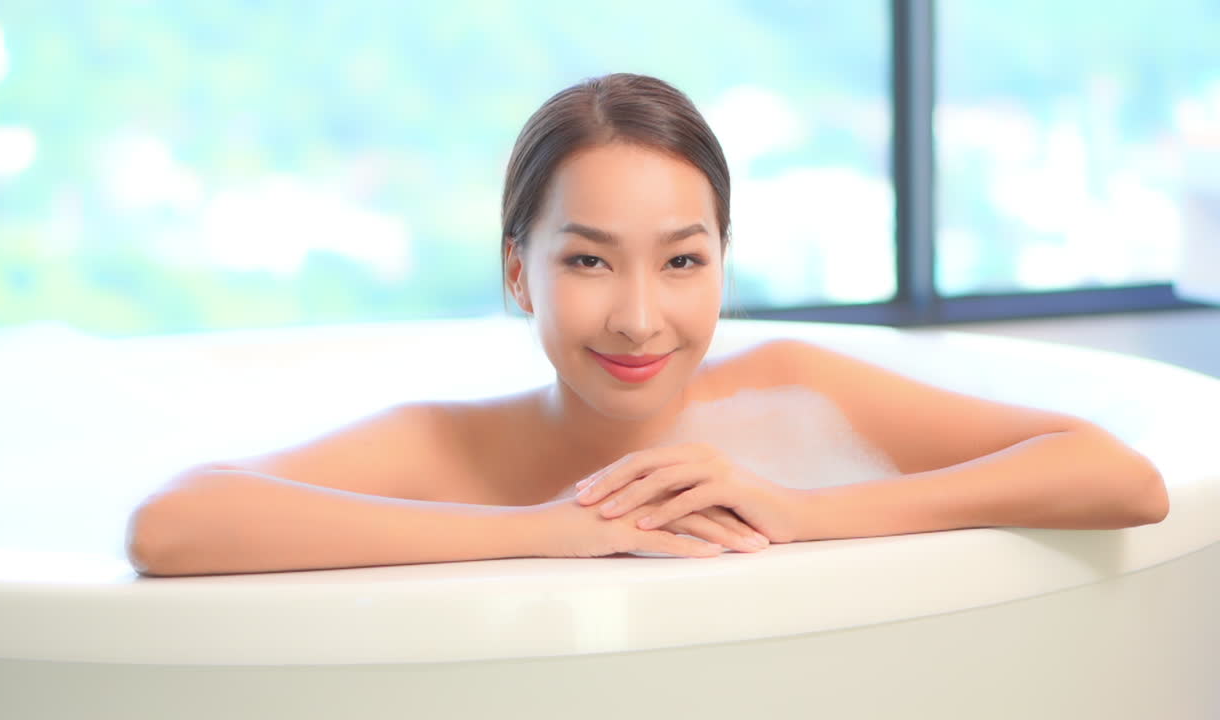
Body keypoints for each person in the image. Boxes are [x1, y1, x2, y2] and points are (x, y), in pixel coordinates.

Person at [126, 73, 1169, 577]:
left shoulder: (794, 388)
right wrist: (546, 533)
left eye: (681, 261)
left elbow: (1122, 480)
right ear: (517, 273)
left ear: (721, 261)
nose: (638, 318)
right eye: (585, 260)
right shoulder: (447, 442)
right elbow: (171, 527)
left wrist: (797, 511)